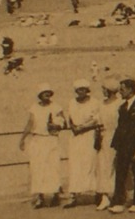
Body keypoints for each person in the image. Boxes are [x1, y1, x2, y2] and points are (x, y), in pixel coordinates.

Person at [19, 83, 66, 208]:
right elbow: (30, 123)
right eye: (44, 92)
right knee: (37, 168)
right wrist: (22, 139)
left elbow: (64, 123)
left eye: (49, 92)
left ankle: (56, 195)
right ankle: (39, 197)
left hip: (51, 140)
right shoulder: (34, 108)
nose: (47, 95)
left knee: (53, 167)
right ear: (40, 95)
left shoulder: (56, 107)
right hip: (37, 140)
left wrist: (56, 126)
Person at [109, 78, 135, 213]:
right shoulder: (122, 107)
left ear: (130, 90)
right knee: (120, 174)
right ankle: (118, 202)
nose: (120, 92)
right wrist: (116, 145)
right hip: (122, 147)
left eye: (122, 89)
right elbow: (120, 128)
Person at [62, 79, 101, 208]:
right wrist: (73, 127)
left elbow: (97, 119)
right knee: (75, 164)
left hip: (89, 136)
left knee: (91, 163)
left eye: (83, 89)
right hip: (76, 137)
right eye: (79, 90)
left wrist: (83, 127)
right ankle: (74, 195)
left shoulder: (95, 102)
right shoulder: (72, 102)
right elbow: (70, 118)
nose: (81, 92)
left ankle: (98, 193)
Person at [94, 78, 121, 209]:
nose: (103, 91)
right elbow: (97, 120)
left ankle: (117, 195)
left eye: (104, 89)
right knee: (103, 166)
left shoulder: (120, 104)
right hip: (104, 137)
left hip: (117, 137)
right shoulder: (101, 104)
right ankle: (105, 196)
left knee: (116, 166)